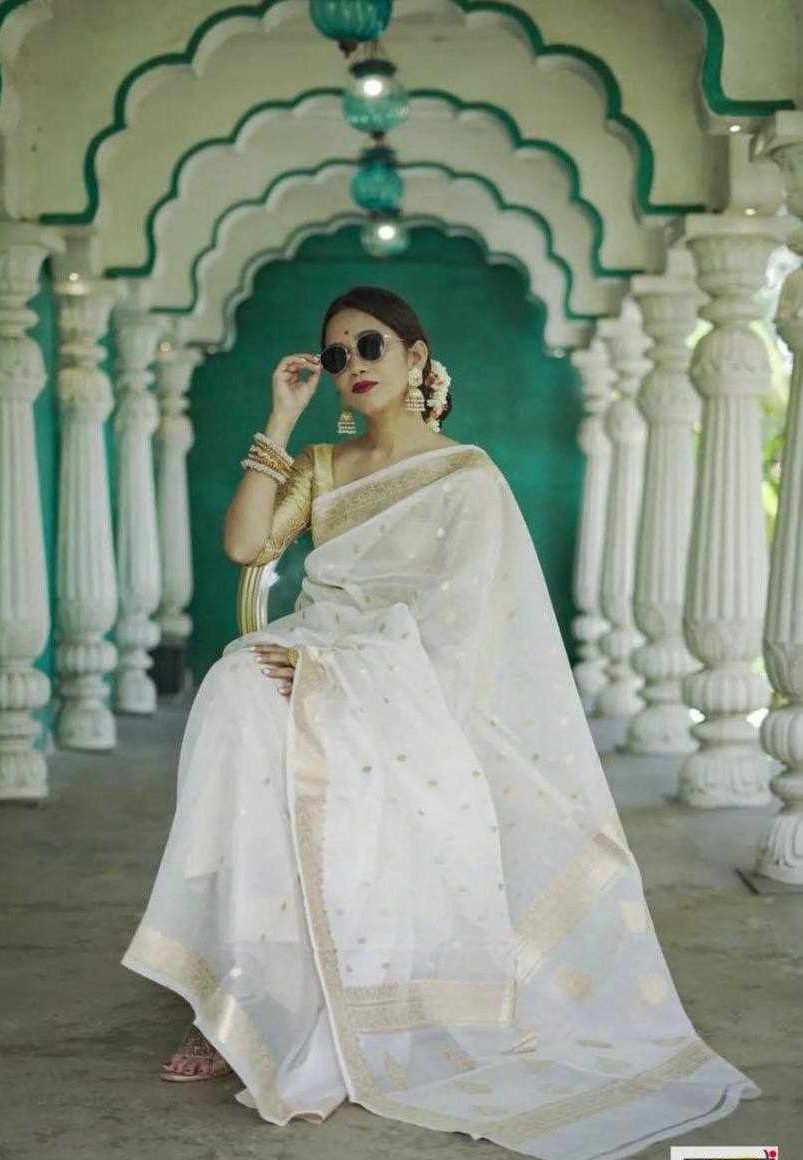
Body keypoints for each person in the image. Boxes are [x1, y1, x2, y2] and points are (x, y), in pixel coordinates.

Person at [121, 285, 761, 1157]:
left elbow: (462, 629)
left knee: (287, 720)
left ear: (415, 357)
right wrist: (281, 415)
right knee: (235, 691)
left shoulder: (467, 476)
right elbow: (244, 547)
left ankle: (325, 1008)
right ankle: (243, 993)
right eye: (337, 355)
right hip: (315, 653)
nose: (354, 365)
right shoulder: (324, 463)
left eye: (371, 346)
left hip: (400, 683)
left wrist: (338, 676)